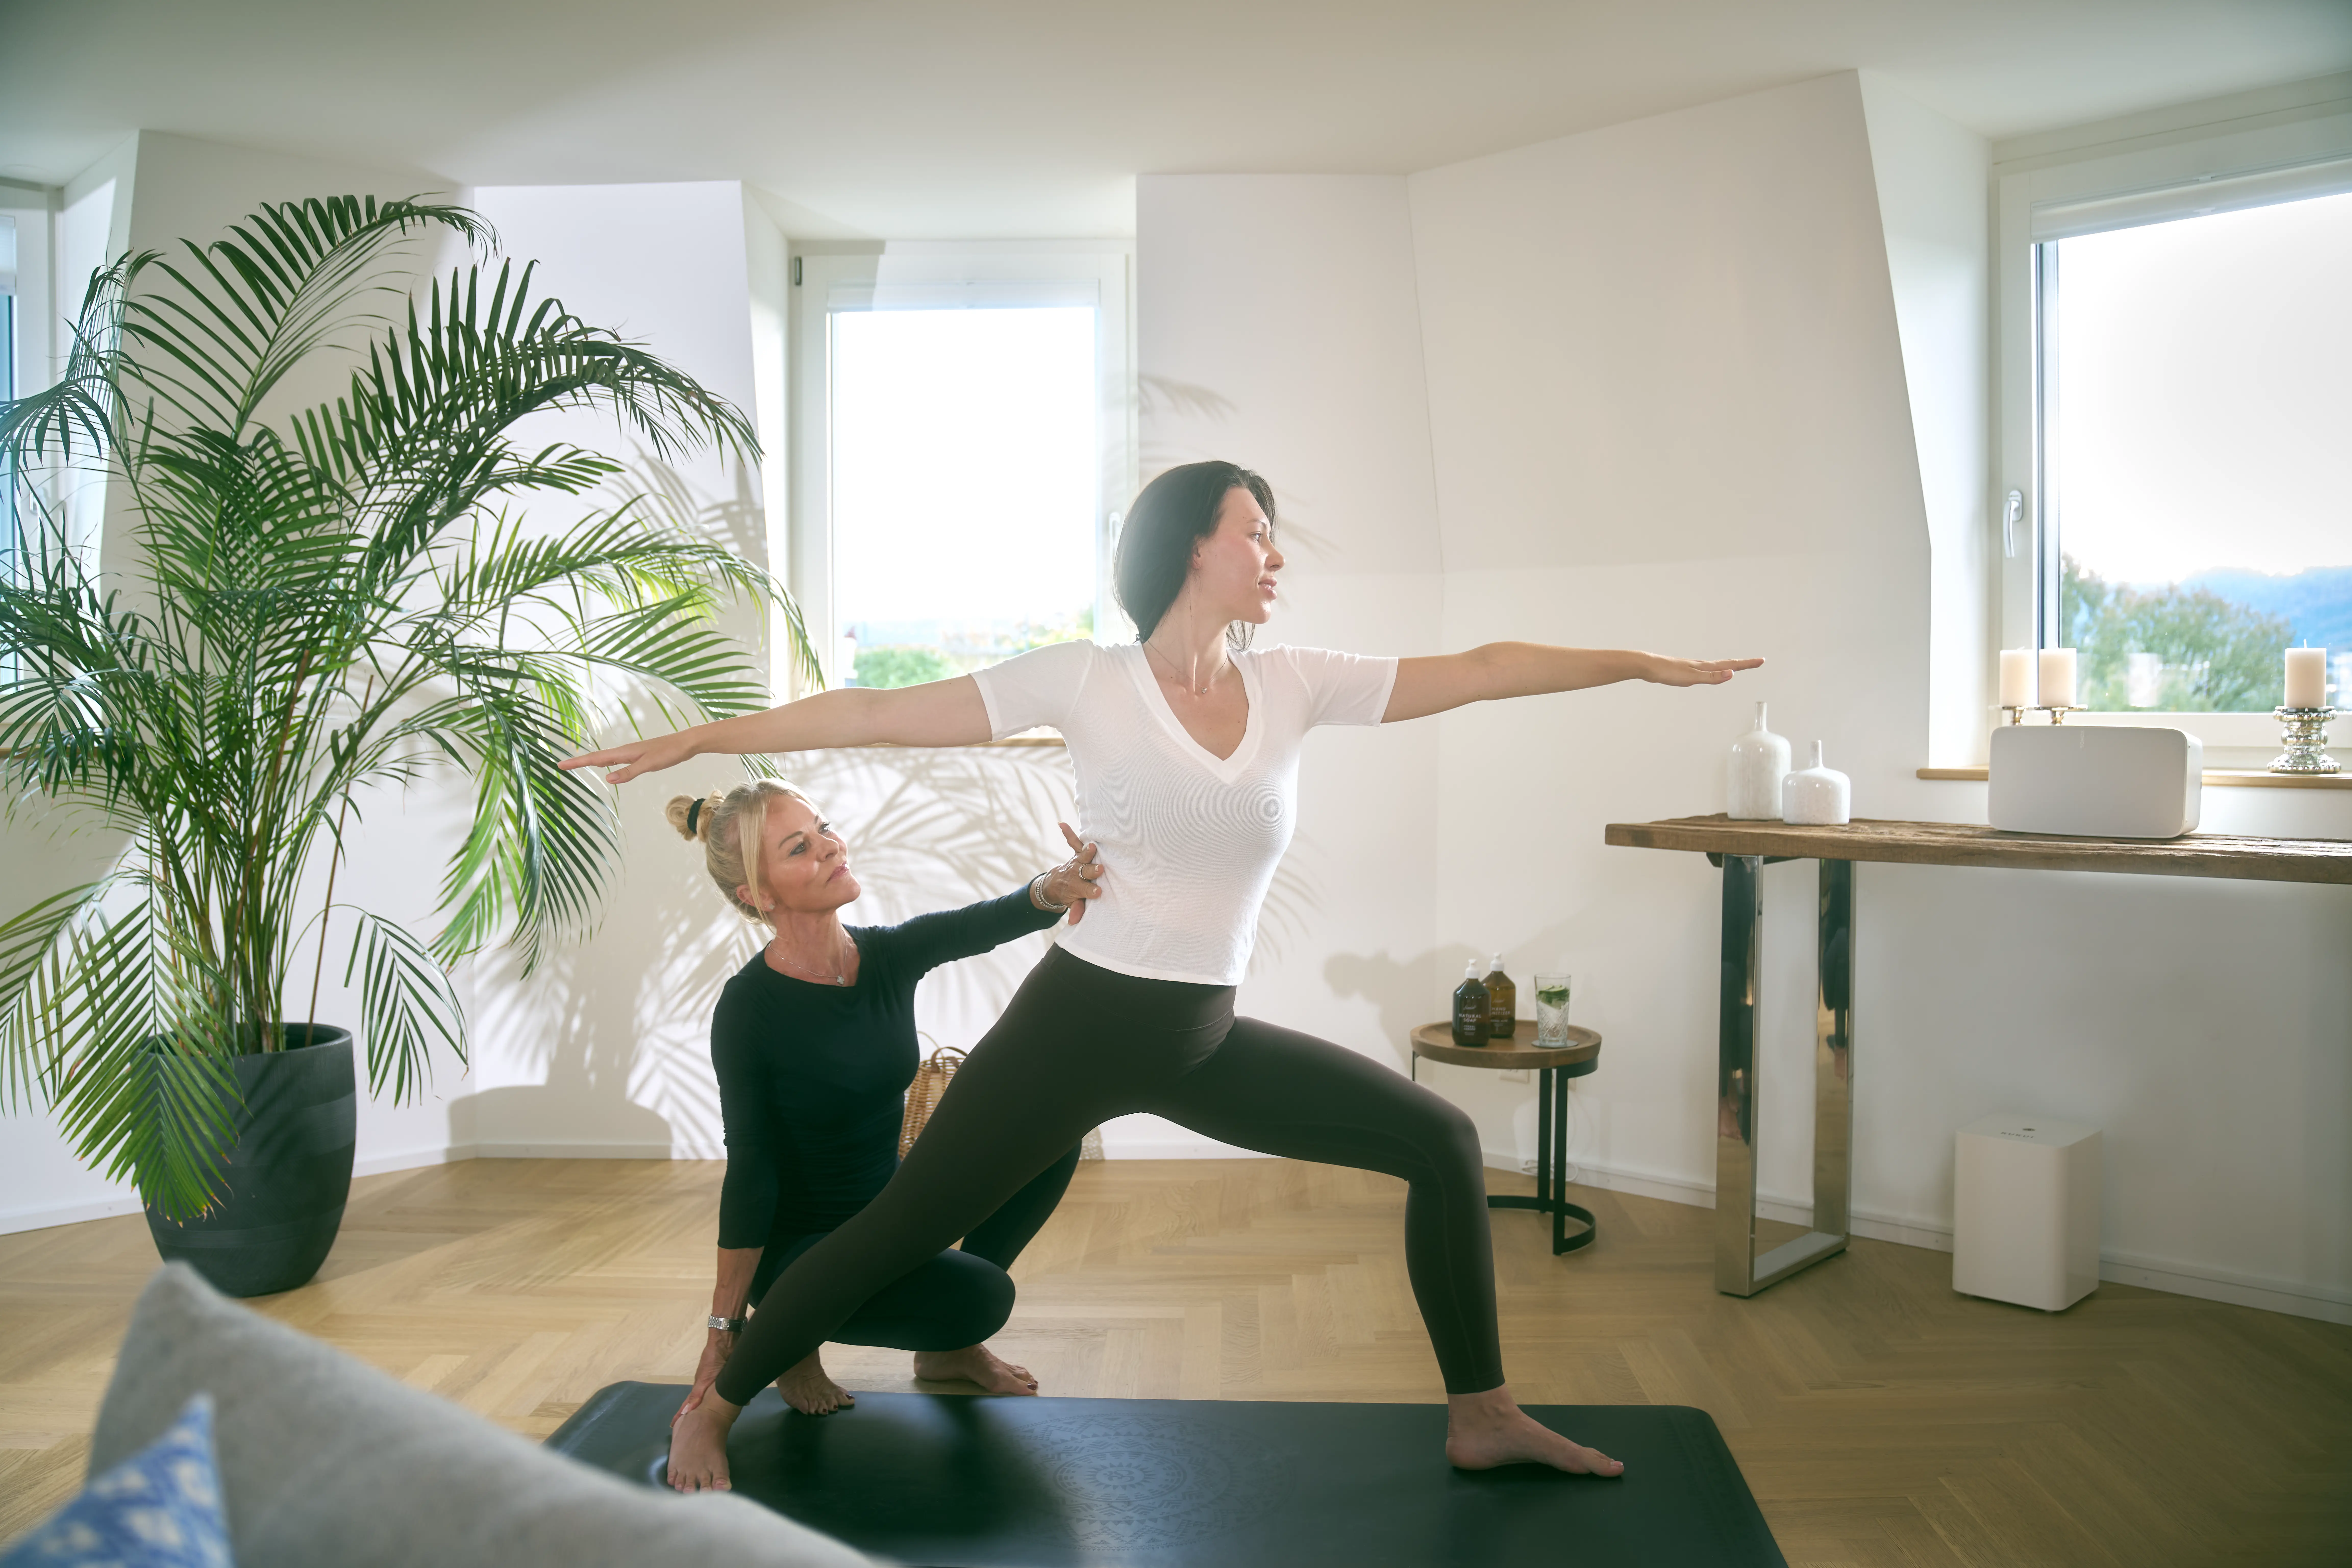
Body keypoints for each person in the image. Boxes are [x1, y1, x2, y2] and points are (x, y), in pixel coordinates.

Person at [565, 459, 1762, 1492]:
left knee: (1440, 1141)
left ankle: (1483, 1416)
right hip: (1081, 1020)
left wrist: (1639, 665)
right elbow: (879, 712)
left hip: (1200, 1033)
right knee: (905, 1227)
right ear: (1193, 547)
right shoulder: (1086, 681)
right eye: (1256, 530)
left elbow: (1487, 667)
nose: (1275, 553)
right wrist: (706, 739)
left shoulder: (1297, 683)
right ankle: (713, 1403)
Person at [664, 778, 1103, 1451]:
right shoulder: (750, 1008)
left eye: (824, 828)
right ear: (759, 894)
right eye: (800, 847)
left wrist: (1056, 888)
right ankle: (793, 1334)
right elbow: (751, 1169)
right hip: (808, 1251)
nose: (831, 846)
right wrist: (723, 1332)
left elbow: (983, 922)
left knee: (1054, 1133)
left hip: (890, 1208)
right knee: (980, 1297)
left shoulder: (885, 957)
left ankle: (948, 1351)